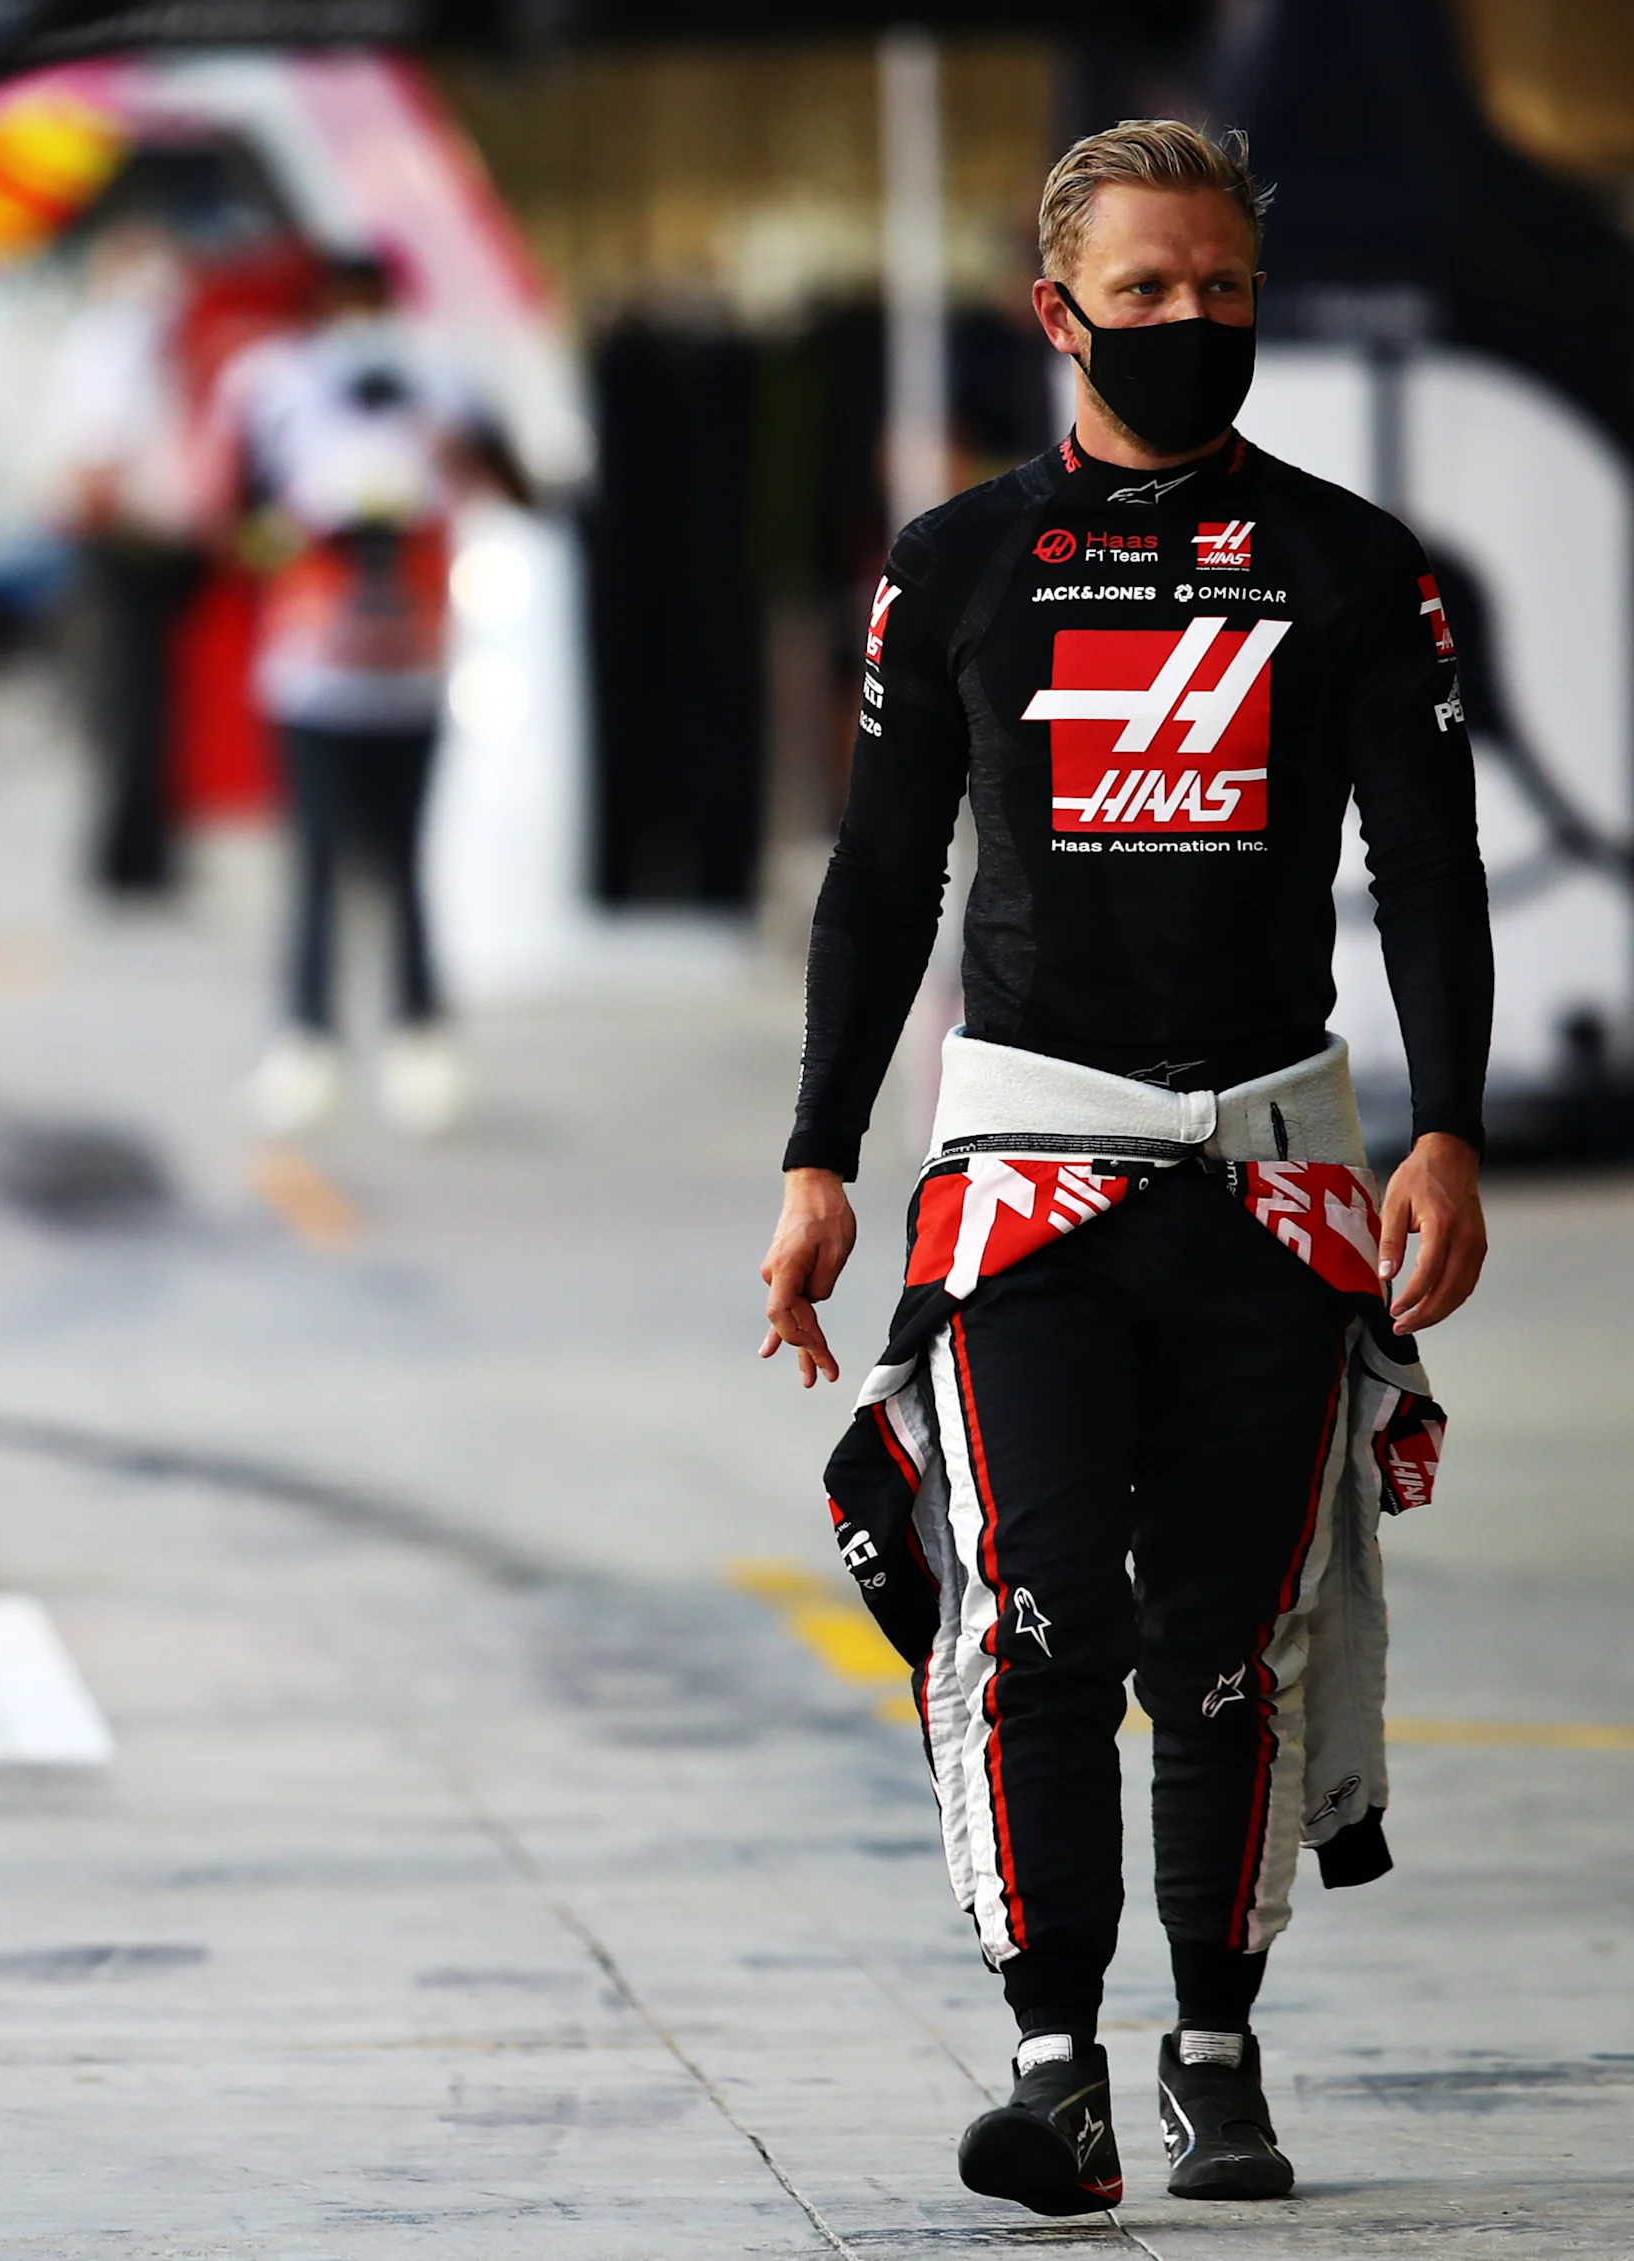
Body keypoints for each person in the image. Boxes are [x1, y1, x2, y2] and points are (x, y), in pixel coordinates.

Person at [757, 121, 1490, 2216]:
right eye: (1150, 290)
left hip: (1273, 1159)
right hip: (1020, 1175)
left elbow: (1425, 872)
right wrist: (820, 1158)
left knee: (1235, 1631)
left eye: (1225, 290)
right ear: (1053, 305)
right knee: (1030, 1607)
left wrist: (1440, 1120)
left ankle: (1219, 2048)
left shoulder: (1351, 564)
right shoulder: (961, 561)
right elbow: (877, 881)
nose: (1192, 324)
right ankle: (1051, 2051)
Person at [209, 247, 495, 1138]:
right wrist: (299, 537)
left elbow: (514, 484)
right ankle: (307, 1042)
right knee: (320, 861)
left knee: (406, 862)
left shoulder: (441, 383)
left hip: (413, 668)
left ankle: (420, 1039)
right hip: (314, 673)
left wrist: (446, 451)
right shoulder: (281, 391)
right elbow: (232, 526)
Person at [44, 222, 201, 898]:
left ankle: (143, 848)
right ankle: (130, 857)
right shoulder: (116, 338)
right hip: (132, 533)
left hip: (144, 529)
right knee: (134, 700)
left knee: (142, 700)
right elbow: (97, 447)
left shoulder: (134, 336)